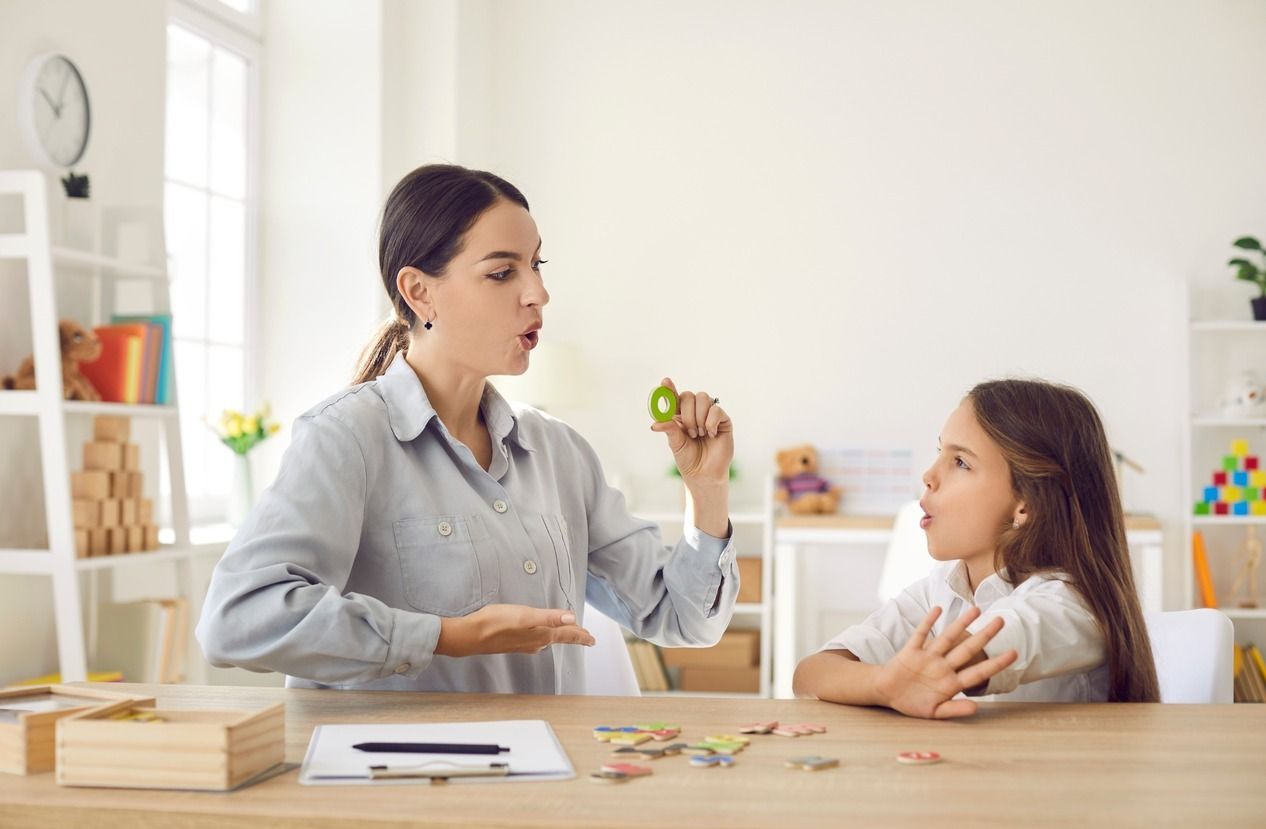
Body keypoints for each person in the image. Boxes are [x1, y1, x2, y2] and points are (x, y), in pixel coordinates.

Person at [196, 164, 739, 693]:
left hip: (546, 776)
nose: (538, 293)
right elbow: (236, 618)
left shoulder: (559, 452)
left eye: (536, 264)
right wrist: (444, 637)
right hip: (393, 779)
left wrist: (706, 490)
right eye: (502, 273)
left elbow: (684, 619)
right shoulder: (346, 438)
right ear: (419, 292)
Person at [793, 379, 1159, 718]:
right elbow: (812, 673)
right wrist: (884, 685)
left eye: (961, 462)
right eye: (940, 452)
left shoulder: (1070, 605)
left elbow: (977, 656)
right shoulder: (942, 590)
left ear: (1026, 504)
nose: (929, 476)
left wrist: (893, 680)